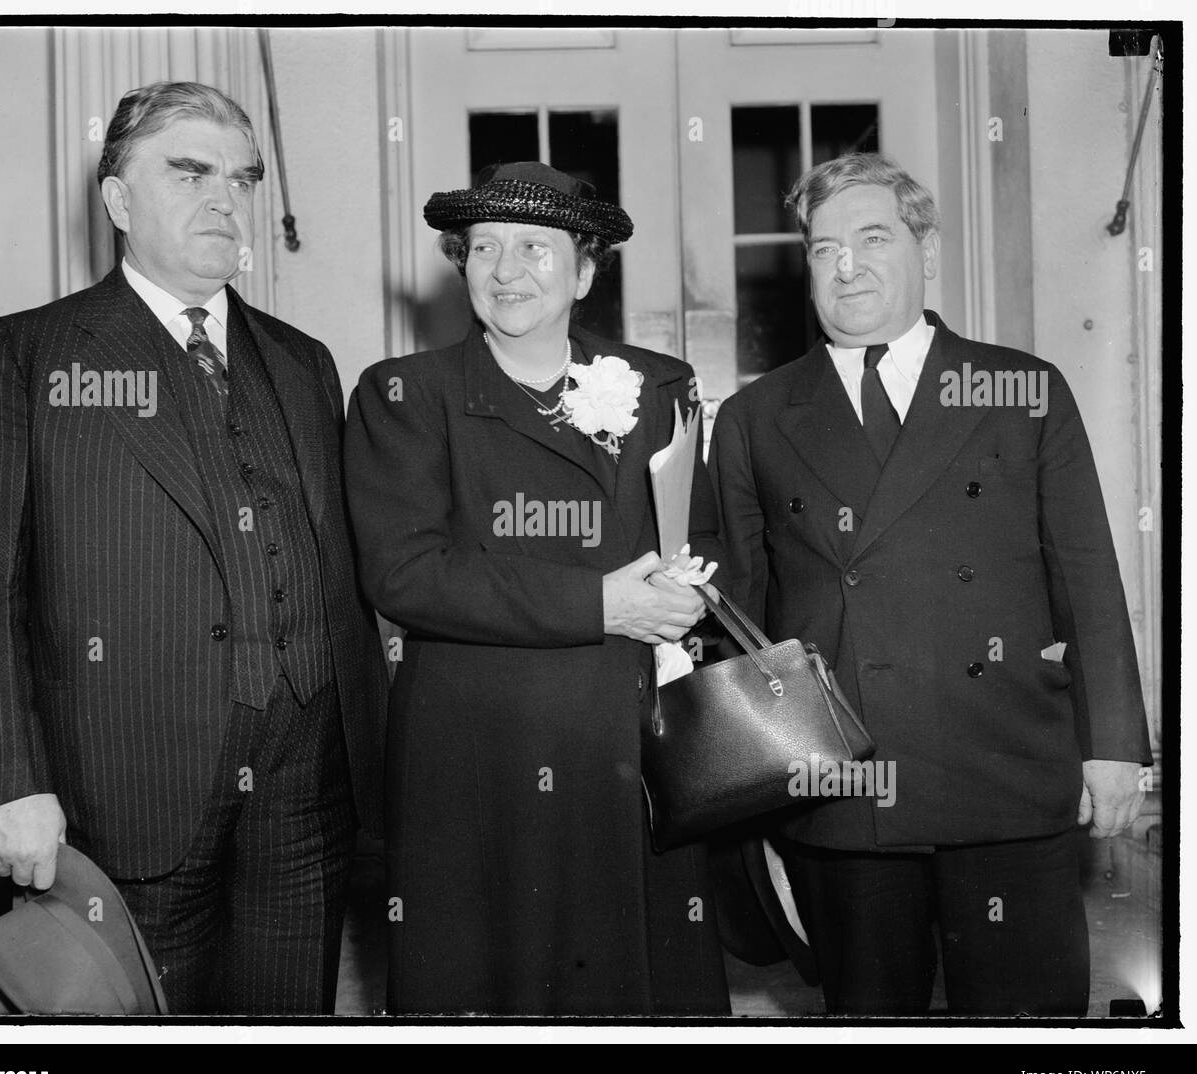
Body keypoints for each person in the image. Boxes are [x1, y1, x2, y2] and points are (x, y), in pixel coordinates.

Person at [0, 81, 387, 1014]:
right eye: (187, 172)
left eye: (239, 177)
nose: (223, 199)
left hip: (307, 779)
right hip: (125, 784)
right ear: (117, 201)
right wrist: (3, 785)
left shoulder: (304, 357)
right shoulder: (28, 356)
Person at [709, 152, 1151, 1015]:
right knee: (872, 1014)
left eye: (872, 238)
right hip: (844, 785)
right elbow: (743, 610)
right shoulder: (756, 415)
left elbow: (1087, 572)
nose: (847, 267)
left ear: (928, 251)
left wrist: (1113, 745)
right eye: (823, 247)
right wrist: (757, 785)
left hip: (1005, 766)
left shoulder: (1020, 388)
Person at [345, 161, 729, 1015]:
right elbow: (407, 573)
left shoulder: (659, 385)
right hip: (476, 750)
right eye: (483, 247)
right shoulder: (405, 395)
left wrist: (689, 589)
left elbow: (701, 536)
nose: (506, 270)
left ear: (586, 271)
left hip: (629, 742)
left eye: (534, 248)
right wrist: (605, 603)